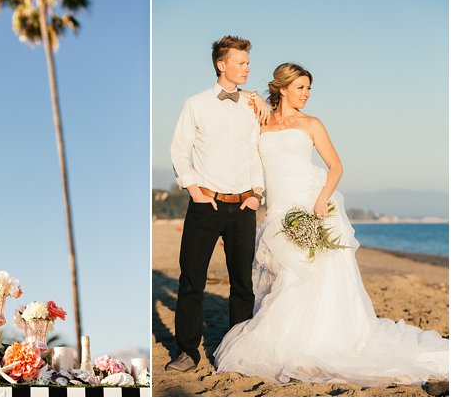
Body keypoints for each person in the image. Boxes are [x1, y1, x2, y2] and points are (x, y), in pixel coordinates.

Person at [214, 63, 449, 385]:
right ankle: (291, 340)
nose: (306, 94)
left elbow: (336, 166)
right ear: (281, 88)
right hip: (278, 211)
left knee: (311, 276)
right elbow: (227, 96)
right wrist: (251, 95)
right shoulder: (262, 122)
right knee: (282, 276)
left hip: (312, 205)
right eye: (300, 87)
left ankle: (316, 341)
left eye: (309, 88)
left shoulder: (312, 124)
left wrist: (322, 199)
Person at [167, 35, 270, 372]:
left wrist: (257, 192)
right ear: (221, 64)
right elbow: (180, 150)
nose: (247, 68)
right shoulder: (195, 104)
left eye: (248, 62)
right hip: (205, 205)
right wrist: (194, 188)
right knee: (191, 280)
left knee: (242, 283)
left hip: (243, 206)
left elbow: (258, 152)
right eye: (241, 62)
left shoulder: (252, 106)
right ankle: (187, 352)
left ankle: (237, 350)